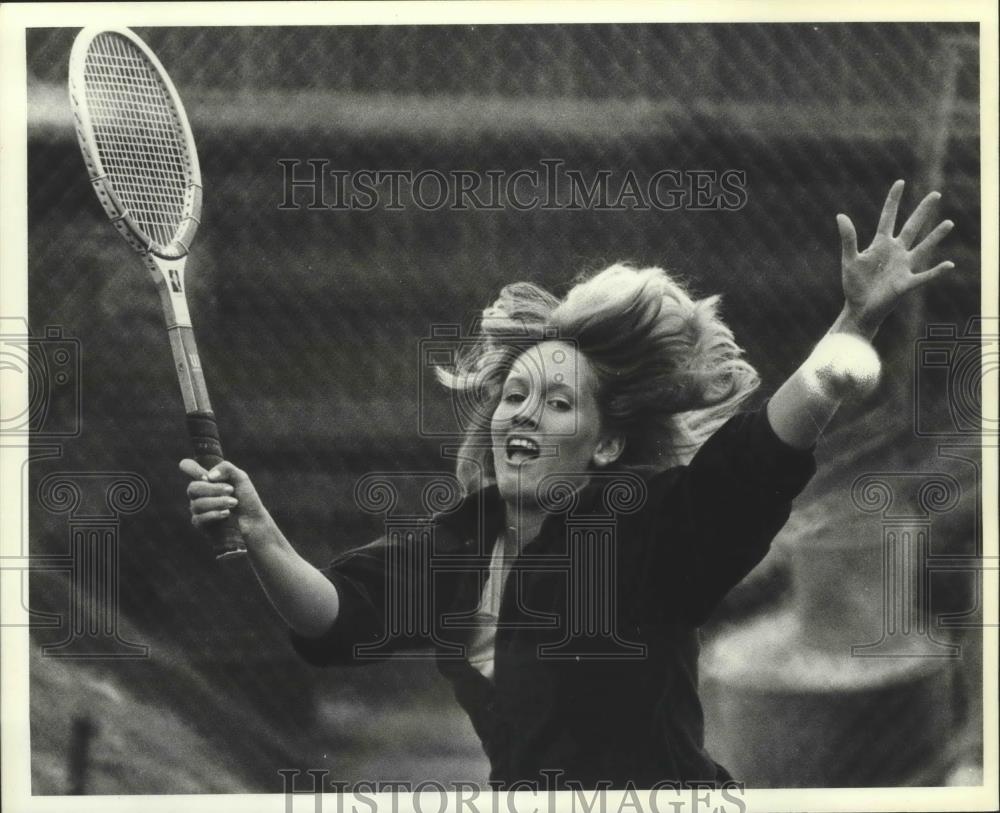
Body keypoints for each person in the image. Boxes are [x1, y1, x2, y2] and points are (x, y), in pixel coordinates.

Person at [181, 180, 956, 789]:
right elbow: (337, 618)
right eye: (516, 395)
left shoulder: (647, 533)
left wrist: (854, 323)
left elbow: (758, 452)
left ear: (607, 441)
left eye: (558, 403)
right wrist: (260, 531)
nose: (525, 412)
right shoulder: (457, 545)